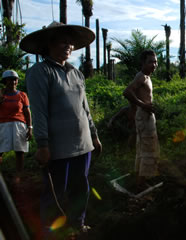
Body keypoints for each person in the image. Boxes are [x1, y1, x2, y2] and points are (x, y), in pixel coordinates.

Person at [20, 21, 102, 237]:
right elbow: (39, 111)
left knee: (80, 188)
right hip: (58, 147)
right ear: (49, 44)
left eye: (70, 42)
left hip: (82, 144)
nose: (68, 45)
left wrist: (94, 135)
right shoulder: (40, 72)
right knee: (56, 192)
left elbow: (85, 108)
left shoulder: (76, 73)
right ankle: (51, 232)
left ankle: (78, 223)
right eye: (62, 41)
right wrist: (43, 144)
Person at [123, 49, 160, 189]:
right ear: (143, 62)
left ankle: (141, 178)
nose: (154, 64)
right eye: (150, 61)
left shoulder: (147, 77)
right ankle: (141, 183)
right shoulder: (141, 77)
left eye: (155, 61)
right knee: (147, 148)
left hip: (145, 116)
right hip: (144, 116)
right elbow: (127, 92)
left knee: (144, 147)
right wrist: (143, 105)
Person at [0, 70, 32, 183]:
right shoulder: (1, 94)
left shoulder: (22, 95)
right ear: (5, 81)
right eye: (10, 79)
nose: (13, 82)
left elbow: (27, 112)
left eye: (15, 79)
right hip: (3, 125)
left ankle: (18, 175)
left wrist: (30, 127)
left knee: (19, 151)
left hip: (19, 124)